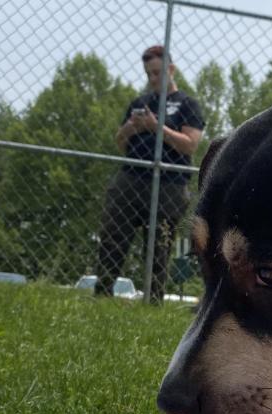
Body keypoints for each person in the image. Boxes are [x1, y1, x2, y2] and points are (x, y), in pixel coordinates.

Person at [93, 45, 204, 303]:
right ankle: (102, 293)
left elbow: (190, 144)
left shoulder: (187, 104)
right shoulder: (140, 103)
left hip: (170, 183)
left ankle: (153, 301)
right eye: (149, 74)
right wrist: (132, 128)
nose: (154, 79)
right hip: (131, 178)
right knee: (113, 235)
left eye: (158, 72)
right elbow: (120, 143)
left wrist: (157, 128)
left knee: (159, 246)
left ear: (171, 69)